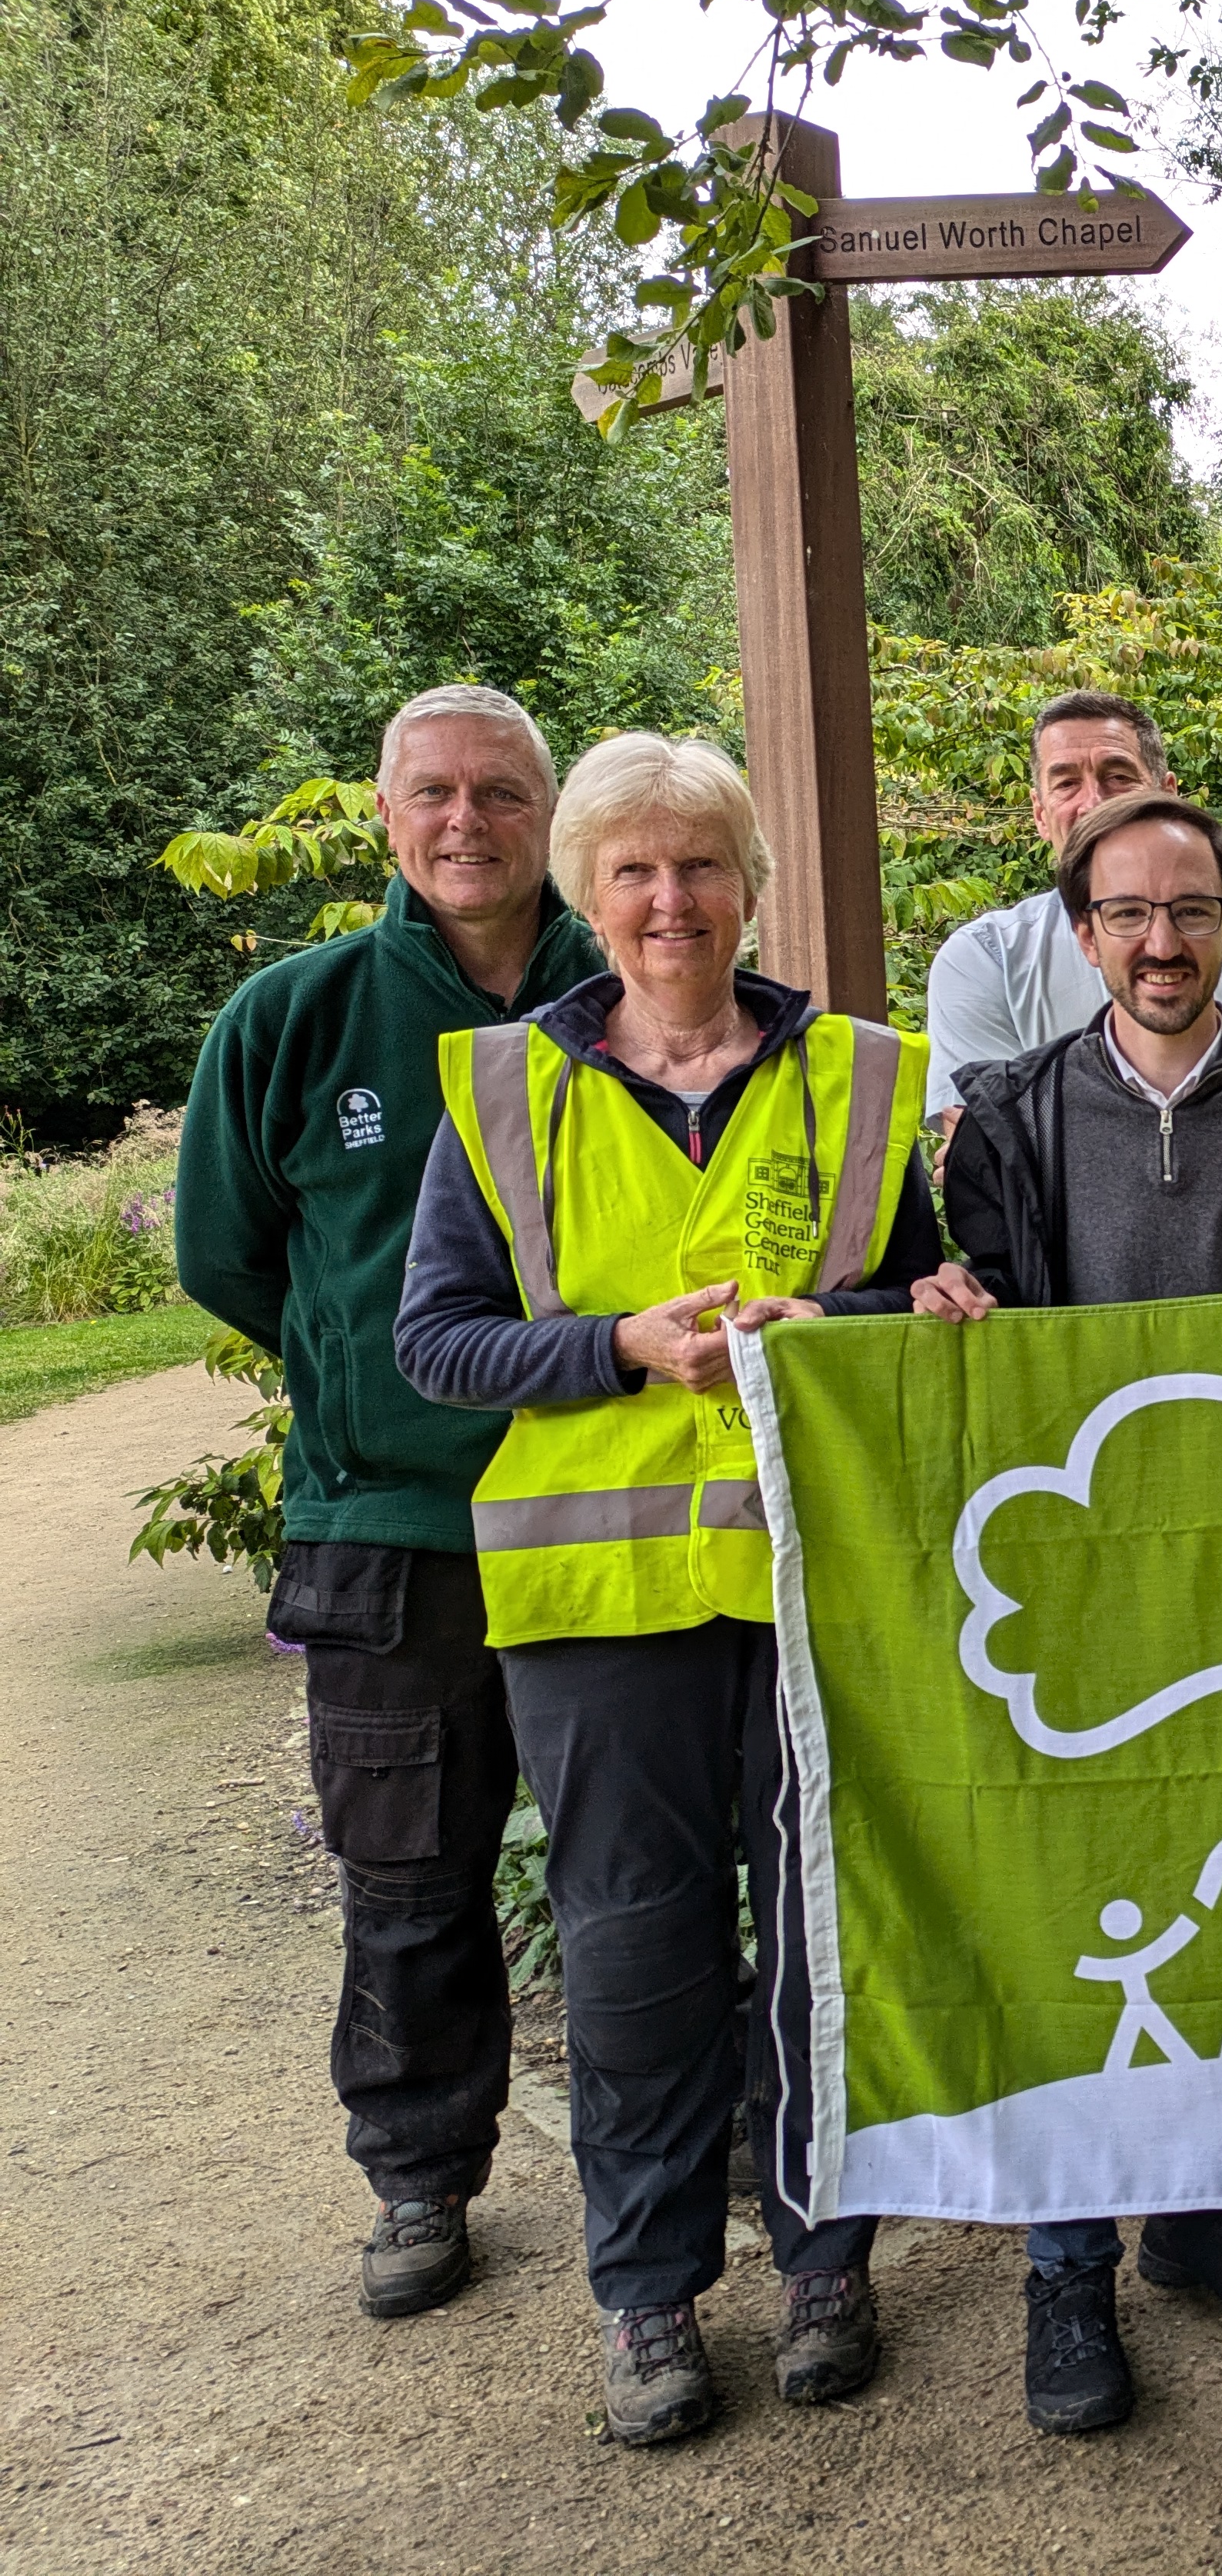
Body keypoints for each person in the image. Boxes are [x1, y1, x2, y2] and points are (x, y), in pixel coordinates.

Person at [391, 732, 945, 2449]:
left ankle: (824, 2255)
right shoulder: (503, 1090)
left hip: (811, 1584)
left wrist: (841, 1325)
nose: (666, 900)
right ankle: (643, 2294)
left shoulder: (857, 1075)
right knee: (632, 1959)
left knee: (817, 1943)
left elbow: (926, 1299)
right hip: (598, 1608)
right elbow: (436, 1338)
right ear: (585, 896)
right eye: (629, 870)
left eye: (697, 864)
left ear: (747, 882)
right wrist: (614, 1347)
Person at [914, 787, 1222, 2434]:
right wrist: (936, 1300)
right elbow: (940, 1318)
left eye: (1191, 910)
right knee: (1078, 1913)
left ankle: (1202, 2209)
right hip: (1078, 1591)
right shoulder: (1000, 1118)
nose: (1162, 940)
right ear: (1081, 932)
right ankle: (1069, 2264)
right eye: (1126, 911)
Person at [175, 684, 607, 2322]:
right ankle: (421, 2172)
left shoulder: (620, 989)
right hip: (390, 1522)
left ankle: (688, 2147)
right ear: (383, 812)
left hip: (608, 1493)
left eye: (501, 792)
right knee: (410, 1873)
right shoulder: (296, 1016)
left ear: (549, 816)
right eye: (433, 792)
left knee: (638, 1852)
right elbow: (228, 1251)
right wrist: (369, 1369)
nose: (466, 822)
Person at [926, 690, 1222, 1129]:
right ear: (1040, 813)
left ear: (1168, 793)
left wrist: (1039, 1136)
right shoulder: (982, 958)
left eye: (1118, 776)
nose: (1093, 802)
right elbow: (983, 1151)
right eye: (1066, 783)